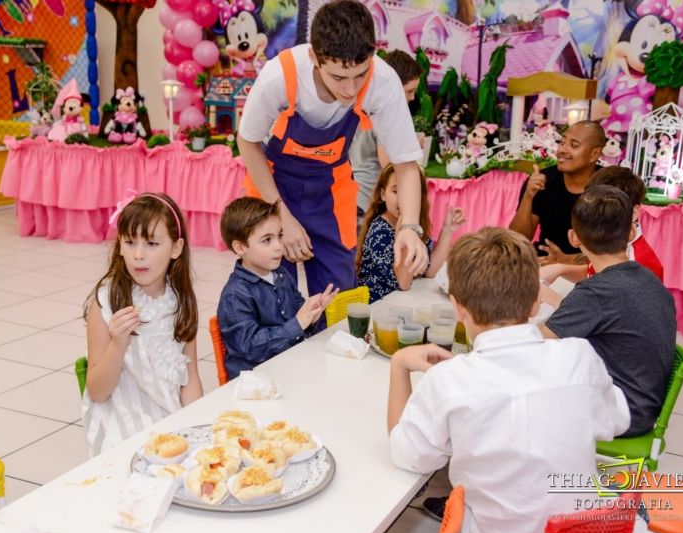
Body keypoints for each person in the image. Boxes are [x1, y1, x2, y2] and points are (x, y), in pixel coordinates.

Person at [387, 227, 630, 533]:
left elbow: (407, 456)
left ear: (458, 307)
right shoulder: (579, 356)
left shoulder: (446, 382)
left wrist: (399, 365)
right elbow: (618, 420)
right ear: (534, 303)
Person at [237, 0, 428, 301]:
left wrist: (409, 227)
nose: (351, 90)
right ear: (314, 56)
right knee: (271, 294)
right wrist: (281, 214)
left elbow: (406, 164)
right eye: (339, 77)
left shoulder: (384, 82)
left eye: (360, 75)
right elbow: (247, 142)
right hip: (272, 184)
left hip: (329, 190)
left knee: (339, 293)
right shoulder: (280, 75)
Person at [540, 186, 676, 437]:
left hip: (621, 411)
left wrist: (547, 299)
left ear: (574, 238)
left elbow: (538, 339)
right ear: (631, 232)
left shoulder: (596, 292)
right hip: (644, 403)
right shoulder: (649, 278)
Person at [83, 192, 203, 455]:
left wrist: (196, 426)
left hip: (172, 418)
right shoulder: (106, 301)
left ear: (176, 248)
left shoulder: (181, 300)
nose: (138, 254)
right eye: (129, 242)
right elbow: (97, 392)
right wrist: (118, 344)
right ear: (120, 246)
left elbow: (190, 378)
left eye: (151, 243)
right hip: (123, 427)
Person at [217, 197, 338, 378]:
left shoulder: (281, 275)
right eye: (267, 240)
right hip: (256, 381)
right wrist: (298, 324)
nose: (278, 246)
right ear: (240, 247)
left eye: (279, 236)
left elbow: (300, 320)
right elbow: (251, 347)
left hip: (288, 365)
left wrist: (312, 316)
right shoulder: (236, 294)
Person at [357, 163, 465, 302]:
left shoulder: (416, 226)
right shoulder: (379, 232)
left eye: (409, 194)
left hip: (407, 302)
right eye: (396, 192)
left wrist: (447, 229)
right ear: (383, 194)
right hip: (379, 309)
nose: (403, 200)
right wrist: (404, 228)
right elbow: (403, 282)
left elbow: (431, 270)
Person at [540, 165, 664, 284]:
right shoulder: (611, 243)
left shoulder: (638, 264)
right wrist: (561, 269)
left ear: (634, 212)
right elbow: (595, 273)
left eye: (607, 209)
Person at [509, 120, 605, 265]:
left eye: (574, 145)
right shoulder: (543, 179)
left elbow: (617, 252)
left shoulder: (608, 187)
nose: (562, 150)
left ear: (594, 154)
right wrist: (529, 195)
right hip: (545, 263)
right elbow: (517, 239)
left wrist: (567, 260)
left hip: (591, 271)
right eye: (562, 142)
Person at [349, 49, 423, 225]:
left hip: (356, 197)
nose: (412, 98)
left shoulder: (365, 107)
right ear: (394, 85)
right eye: (409, 91)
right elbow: (391, 166)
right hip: (367, 200)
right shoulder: (386, 116)